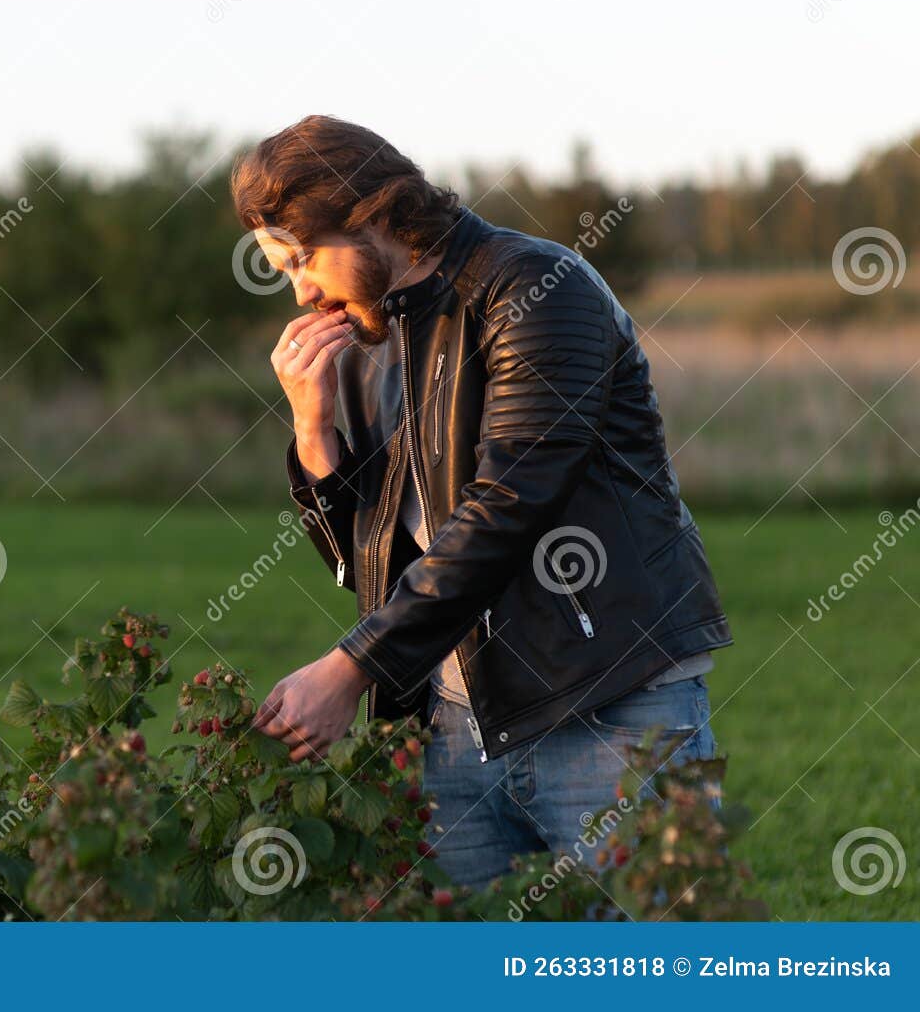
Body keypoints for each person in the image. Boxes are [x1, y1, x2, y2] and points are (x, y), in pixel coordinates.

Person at [236, 114, 732, 889]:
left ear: (370, 214)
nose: (300, 289)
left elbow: (510, 505)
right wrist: (312, 429)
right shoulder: (368, 337)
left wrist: (350, 669)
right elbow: (361, 566)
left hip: (612, 705)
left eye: (302, 258)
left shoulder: (537, 288)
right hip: (451, 725)